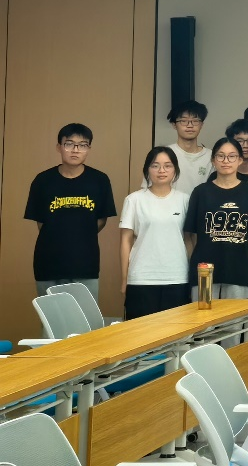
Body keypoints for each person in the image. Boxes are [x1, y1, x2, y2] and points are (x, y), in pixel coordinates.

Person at [26, 123, 116, 299]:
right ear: (59, 147)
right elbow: (41, 222)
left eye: (82, 145)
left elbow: (101, 219)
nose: (75, 150)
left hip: (86, 264)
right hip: (48, 264)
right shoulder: (42, 181)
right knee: (51, 316)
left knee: (85, 315)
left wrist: (80, 235)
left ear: (89, 149)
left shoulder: (100, 180)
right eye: (69, 144)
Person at [184, 137, 248, 301]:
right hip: (204, 270)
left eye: (232, 156)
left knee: (235, 316)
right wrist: (197, 262)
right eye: (220, 156)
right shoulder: (200, 192)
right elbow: (191, 234)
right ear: (213, 160)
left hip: (237, 270)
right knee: (203, 314)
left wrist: (239, 254)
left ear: (240, 160)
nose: (226, 161)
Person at [119, 147, 190, 319]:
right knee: (140, 331)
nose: (161, 170)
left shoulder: (185, 200)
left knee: (176, 331)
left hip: (177, 277)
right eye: (155, 165)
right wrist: (124, 279)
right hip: (141, 278)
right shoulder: (134, 200)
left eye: (167, 166)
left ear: (175, 170)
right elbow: (125, 241)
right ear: (147, 170)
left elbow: (189, 240)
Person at [166, 100, 212, 195]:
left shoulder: (211, 156)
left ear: (201, 125)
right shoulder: (164, 154)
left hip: (201, 204)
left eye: (195, 121)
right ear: (174, 125)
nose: (190, 125)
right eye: (183, 121)